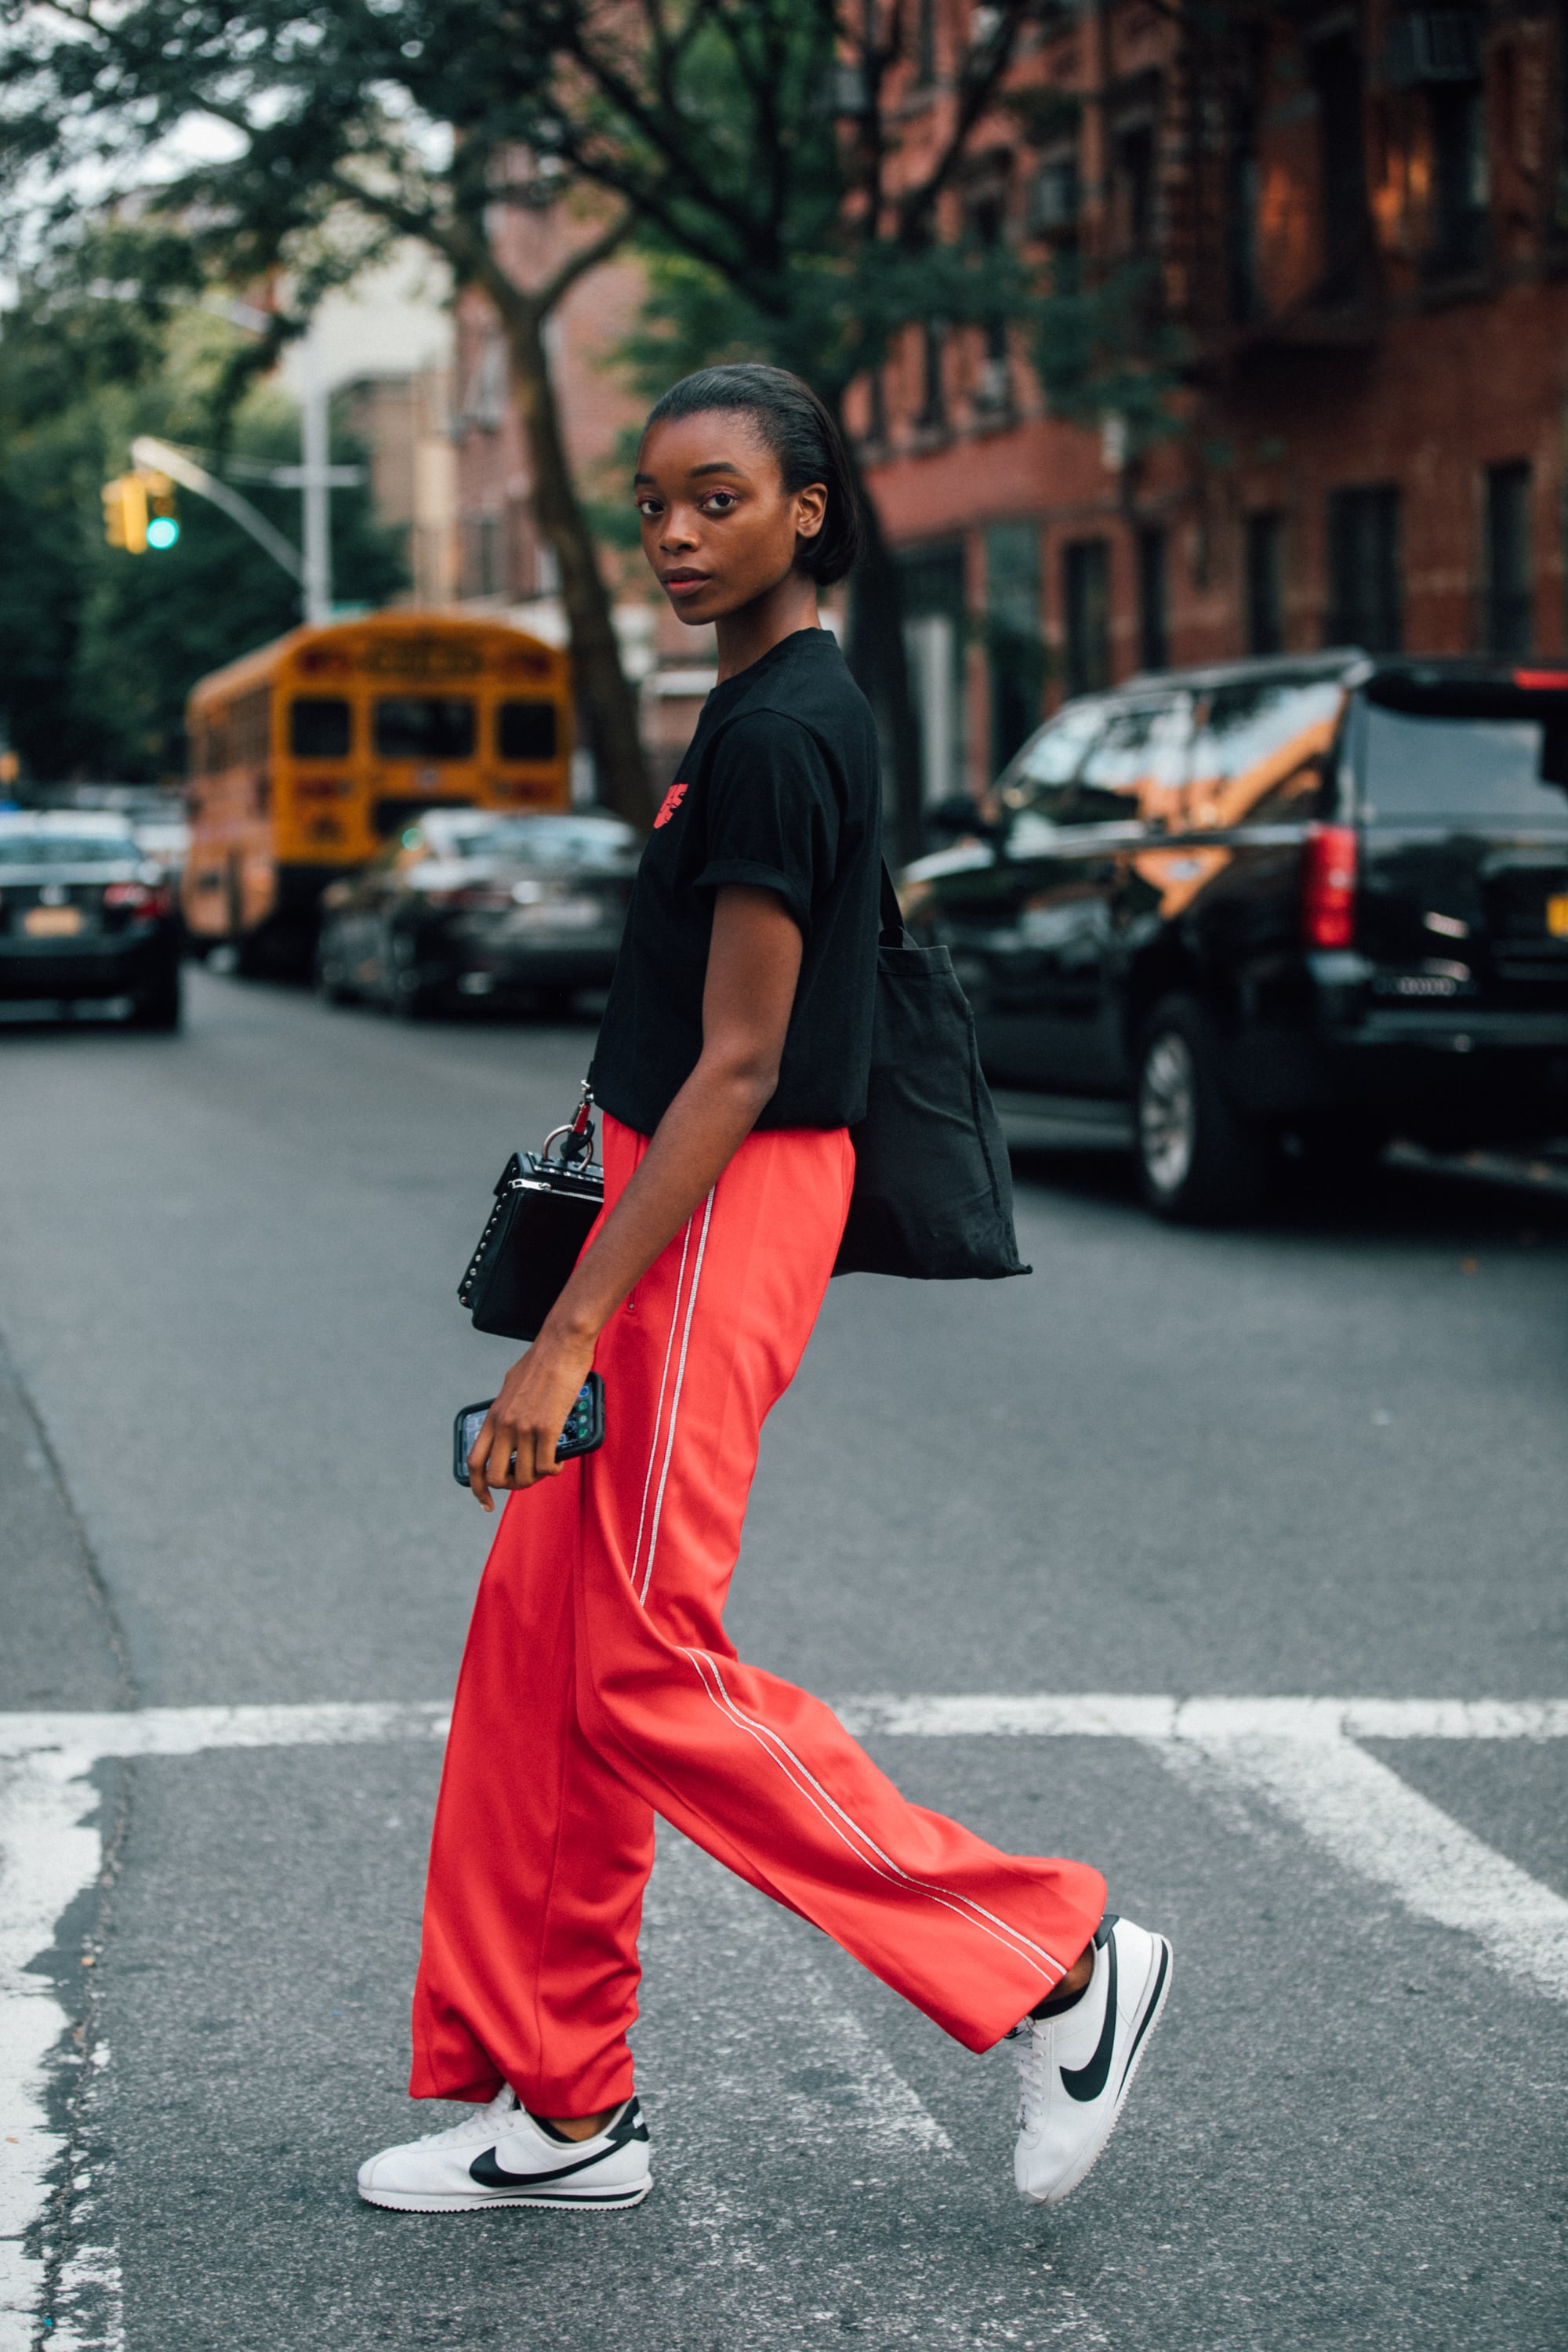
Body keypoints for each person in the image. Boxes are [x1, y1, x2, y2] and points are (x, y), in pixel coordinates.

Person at [357, 364, 1171, 2218]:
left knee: (642, 1657)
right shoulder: (750, 713)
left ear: (810, 510)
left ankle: (1052, 1962)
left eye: (714, 499)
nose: (671, 535)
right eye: (652, 503)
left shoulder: (786, 731)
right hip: (676, 1187)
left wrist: (565, 1336)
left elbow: (739, 1061)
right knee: (544, 1661)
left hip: (723, 1200)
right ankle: (563, 2107)